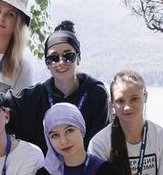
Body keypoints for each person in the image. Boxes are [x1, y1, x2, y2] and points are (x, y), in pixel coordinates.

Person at [6, 21, 110, 153]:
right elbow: (1, 105)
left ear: (78, 58)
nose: (61, 62)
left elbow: (100, 142)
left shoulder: (96, 94)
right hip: (44, 165)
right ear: (47, 63)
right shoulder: (34, 97)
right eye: (53, 58)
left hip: (86, 164)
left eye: (68, 56)